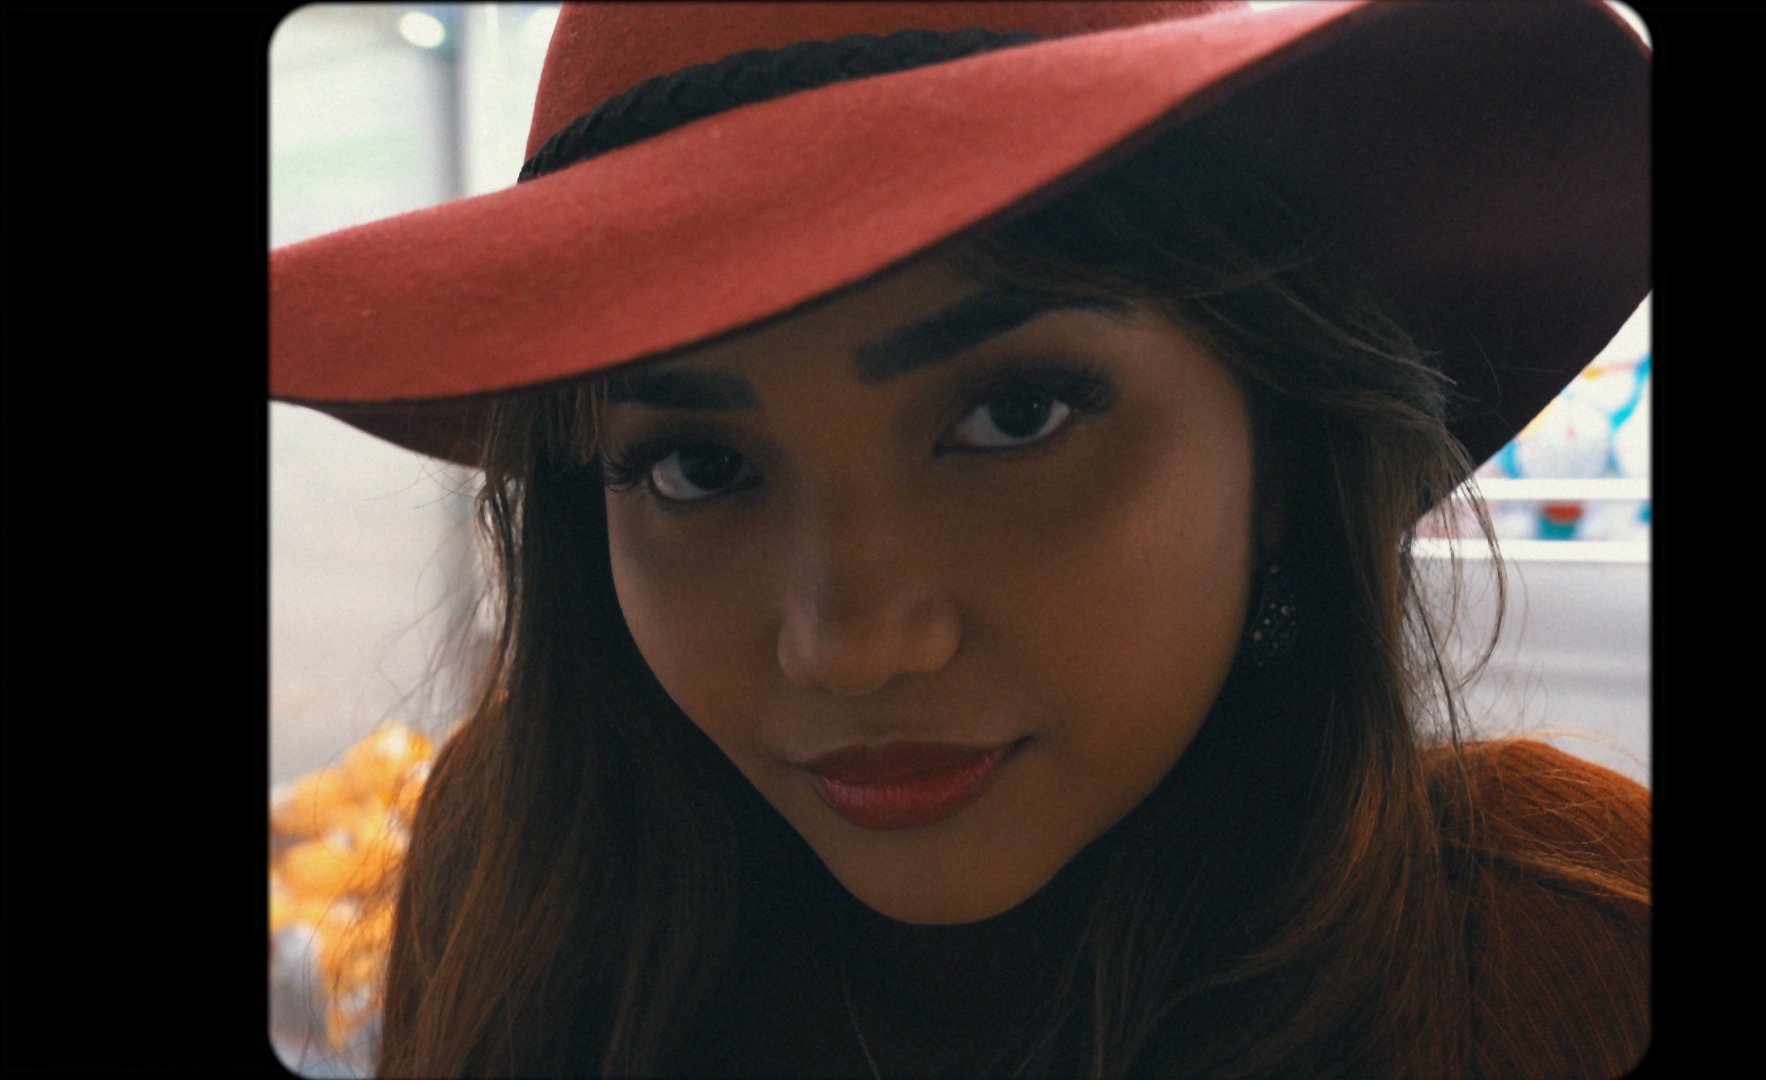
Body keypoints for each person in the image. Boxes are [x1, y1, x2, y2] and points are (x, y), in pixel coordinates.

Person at [270, 2, 1651, 1076]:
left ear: (1281, 436)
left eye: (1015, 416)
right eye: (697, 465)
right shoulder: (537, 876)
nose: (853, 645)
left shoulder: (1559, 952)